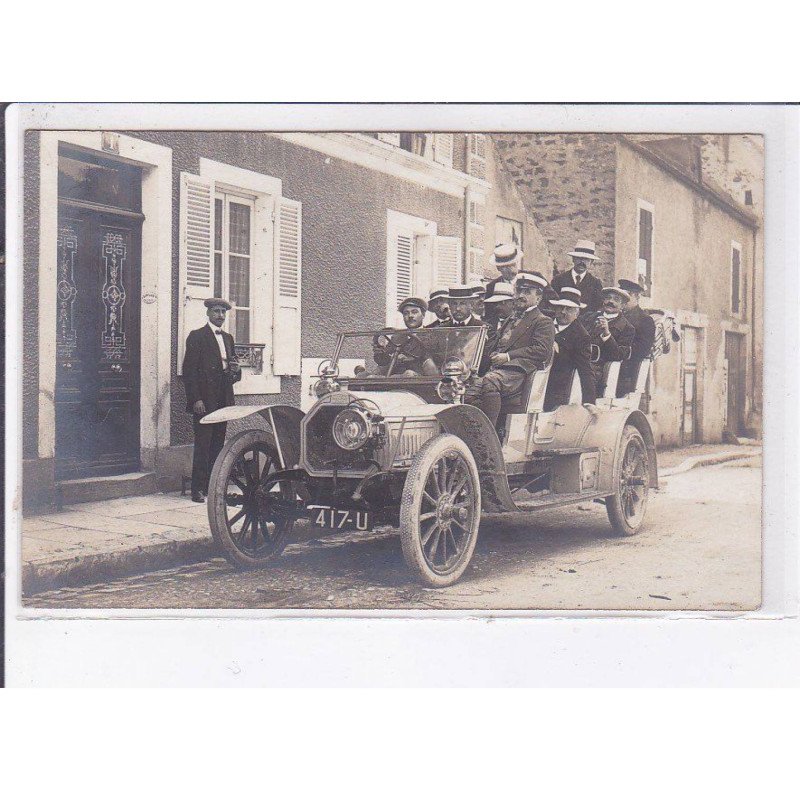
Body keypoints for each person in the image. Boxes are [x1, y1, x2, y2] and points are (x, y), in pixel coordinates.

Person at [464, 271, 554, 426]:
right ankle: (473, 433)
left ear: (538, 298)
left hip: (520, 372)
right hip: (499, 370)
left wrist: (508, 357)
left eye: (527, 292)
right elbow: (495, 346)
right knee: (466, 389)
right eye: (519, 291)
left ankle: (489, 434)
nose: (520, 295)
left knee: (491, 381)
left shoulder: (543, 321)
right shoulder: (510, 320)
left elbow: (541, 350)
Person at [182, 298, 242, 502]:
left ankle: (213, 487)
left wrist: (236, 371)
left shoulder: (228, 338)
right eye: (216, 311)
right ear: (208, 313)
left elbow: (233, 375)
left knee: (218, 443)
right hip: (205, 400)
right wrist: (196, 399)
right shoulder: (197, 336)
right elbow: (188, 371)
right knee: (203, 443)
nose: (220, 316)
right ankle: (197, 489)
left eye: (223, 312)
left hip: (223, 398)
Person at [543, 287, 597, 411]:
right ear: (555, 308)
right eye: (561, 307)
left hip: (556, 386)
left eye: (569, 309)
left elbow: (585, 369)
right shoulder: (544, 322)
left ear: (577, 313)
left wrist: (589, 401)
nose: (563, 312)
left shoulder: (581, 336)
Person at [581, 286, 635, 396]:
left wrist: (607, 334)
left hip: (599, 370)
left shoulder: (627, 328)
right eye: (608, 298)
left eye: (616, 299)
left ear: (623, 306)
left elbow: (619, 355)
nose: (611, 301)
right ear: (603, 301)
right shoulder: (588, 317)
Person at [373, 297, 438, 376]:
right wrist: (380, 353)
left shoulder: (431, 335)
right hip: (395, 377)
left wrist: (406, 359)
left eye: (414, 312)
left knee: (408, 374)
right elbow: (384, 362)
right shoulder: (397, 336)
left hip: (419, 379)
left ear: (423, 315)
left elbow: (430, 361)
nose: (410, 316)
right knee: (366, 376)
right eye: (406, 313)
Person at [618, 278, 656, 395]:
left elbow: (642, 350)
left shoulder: (645, 320)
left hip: (626, 372)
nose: (623, 300)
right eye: (621, 296)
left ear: (636, 297)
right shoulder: (615, 315)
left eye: (627, 296)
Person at [552, 238, 604, 314]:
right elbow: (552, 303)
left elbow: (597, 307)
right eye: (579, 258)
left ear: (591, 262)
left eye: (586, 259)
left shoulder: (595, 283)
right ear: (573, 259)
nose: (582, 262)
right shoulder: (559, 279)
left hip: (585, 323)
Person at [479, 281, 516, 375]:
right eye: (496, 303)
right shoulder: (486, 324)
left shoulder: (519, 324)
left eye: (503, 303)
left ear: (513, 303)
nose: (498, 307)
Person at [484, 243, 523, 327]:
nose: (511, 269)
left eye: (513, 264)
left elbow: (551, 306)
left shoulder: (531, 279)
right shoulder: (492, 287)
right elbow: (489, 315)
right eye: (506, 266)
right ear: (498, 268)